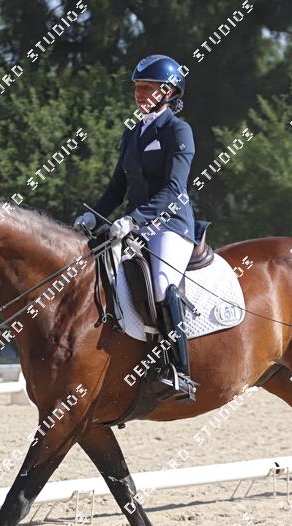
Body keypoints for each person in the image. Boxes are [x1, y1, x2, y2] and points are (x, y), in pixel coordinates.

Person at [74, 54, 199, 401]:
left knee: (160, 284)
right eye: (138, 87)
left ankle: (178, 371)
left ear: (168, 92)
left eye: (147, 88)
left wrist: (135, 219)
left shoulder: (178, 130)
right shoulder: (133, 132)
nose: (140, 94)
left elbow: (174, 189)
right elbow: (117, 187)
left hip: (170, 224)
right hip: (134, 226)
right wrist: (94, 215)